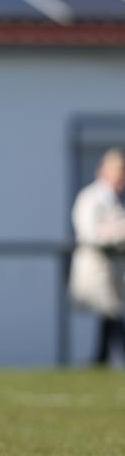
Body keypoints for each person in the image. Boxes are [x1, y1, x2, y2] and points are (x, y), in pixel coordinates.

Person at [70, 148, 125, 365]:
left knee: (109, 316)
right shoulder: (90, 198)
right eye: (116, 170)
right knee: (111, 314)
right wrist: (119, 232)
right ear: (103, 171)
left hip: (111, 268)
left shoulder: (115, 199)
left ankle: (100, 359)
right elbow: (89, 234)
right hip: (94, 267)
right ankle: (101, 358)